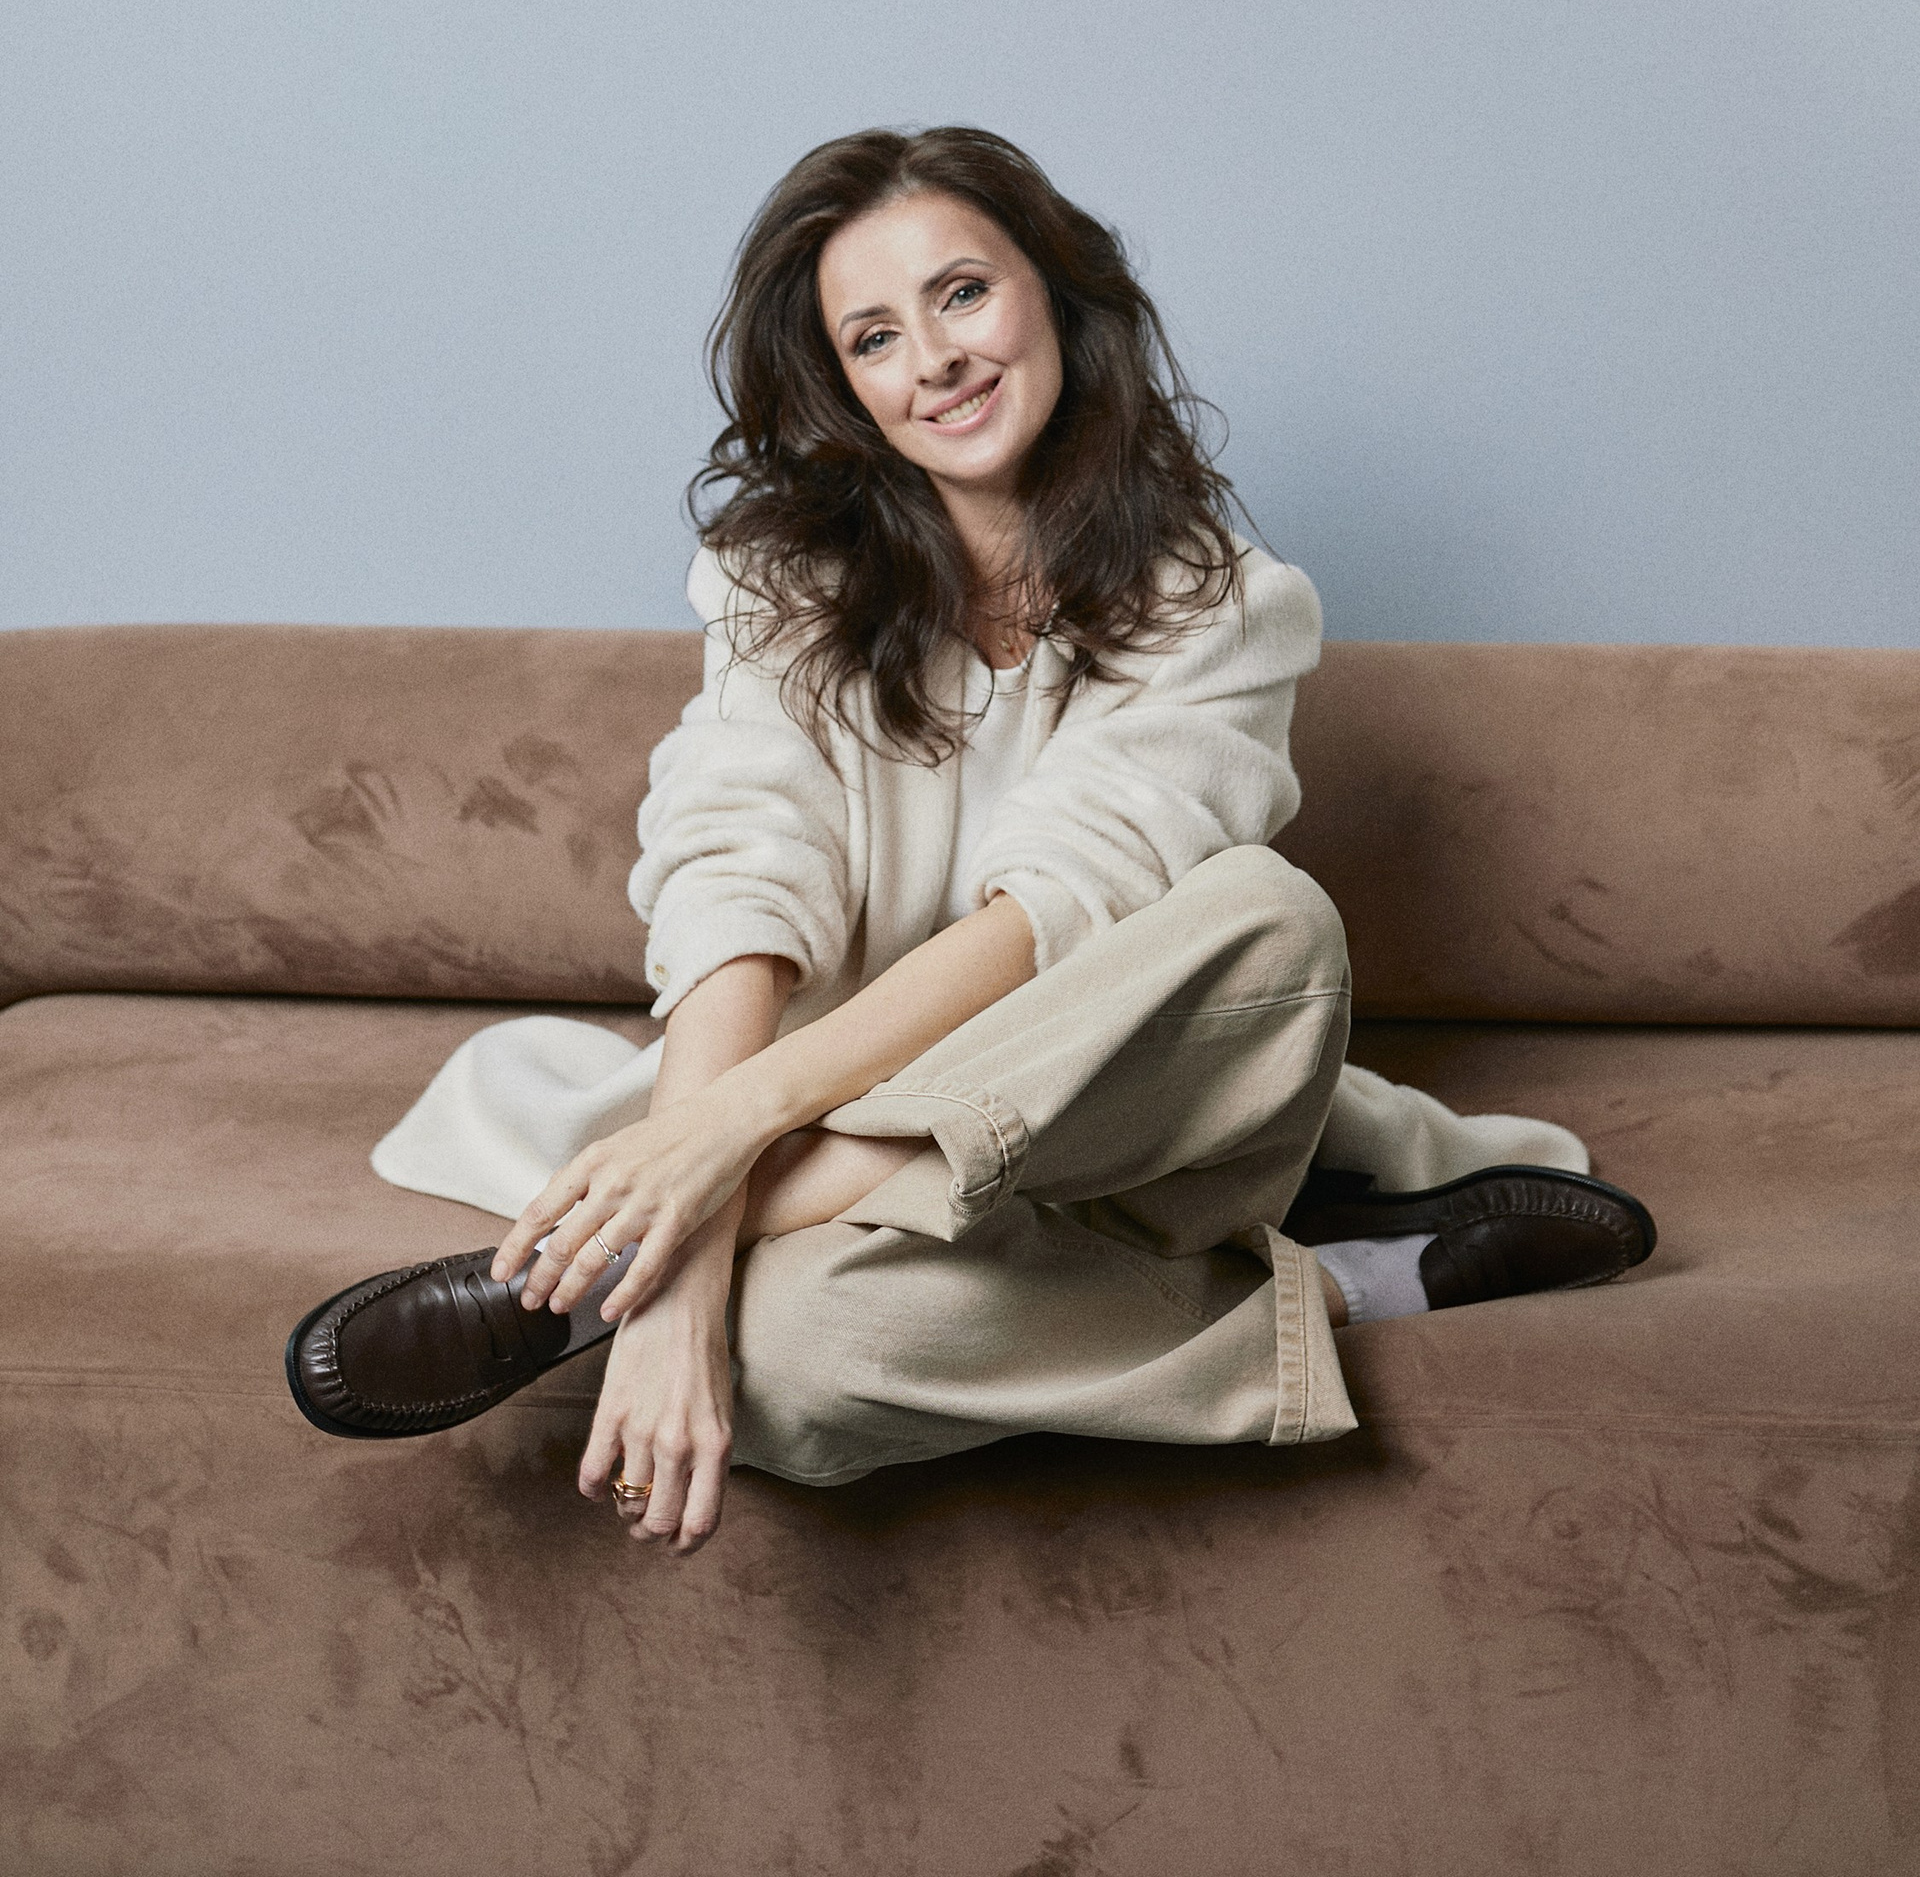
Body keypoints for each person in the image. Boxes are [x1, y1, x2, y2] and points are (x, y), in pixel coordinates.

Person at [286, 126, 1654, 1549]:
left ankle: (610, 1276)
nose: (932, 360)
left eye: (961, 294)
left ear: (1055, 294)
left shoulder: (1228, 608)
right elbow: (740, 873)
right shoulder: (781, 580)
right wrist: (696, 1277)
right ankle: (1346, 1284)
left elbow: (1051, 920)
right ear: (848, 391)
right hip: (855, 1158)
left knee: (1269, 915)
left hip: (1109, 1132)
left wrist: (704, 1179)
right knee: (804, 1367)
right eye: (874, 337)